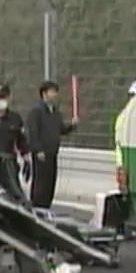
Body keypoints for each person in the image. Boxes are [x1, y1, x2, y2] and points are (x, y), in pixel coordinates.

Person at [25, 80, 78, 209]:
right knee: (40, 182)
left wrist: (72, 125)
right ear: (44, 93)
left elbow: (61, 129)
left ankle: (46, 206)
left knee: (50, 182)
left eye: (55, 92)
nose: (54, 95)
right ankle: (37, 206)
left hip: (52, 152)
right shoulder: (36, 111)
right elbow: (33, 132)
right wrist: (38, 150)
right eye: (52, 92)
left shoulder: (55, 112)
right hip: (41, 154)